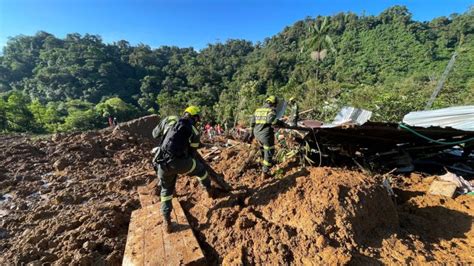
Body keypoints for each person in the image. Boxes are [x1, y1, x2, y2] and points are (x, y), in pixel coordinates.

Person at [152, 106, 213, 233]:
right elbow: (192, 153)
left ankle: (166, 220)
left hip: (162, 163)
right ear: (195, 117)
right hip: (180, 163)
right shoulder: (194, 131)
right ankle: (208, 190)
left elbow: (154, 134)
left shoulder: (169, 119)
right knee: (201, 170)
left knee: (166, 191)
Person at [249, 96, 284, 178]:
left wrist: (251, 134)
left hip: (257, 134)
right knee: (269, 151)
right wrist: (281, 123)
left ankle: (265, 163)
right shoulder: (271, 110)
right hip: (266, 135)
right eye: (275, 104)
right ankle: (265, 172)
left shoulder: (257, 110)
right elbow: (272, 121)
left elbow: (252, 123)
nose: (275, 106)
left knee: (263, 150)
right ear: (273, 103)